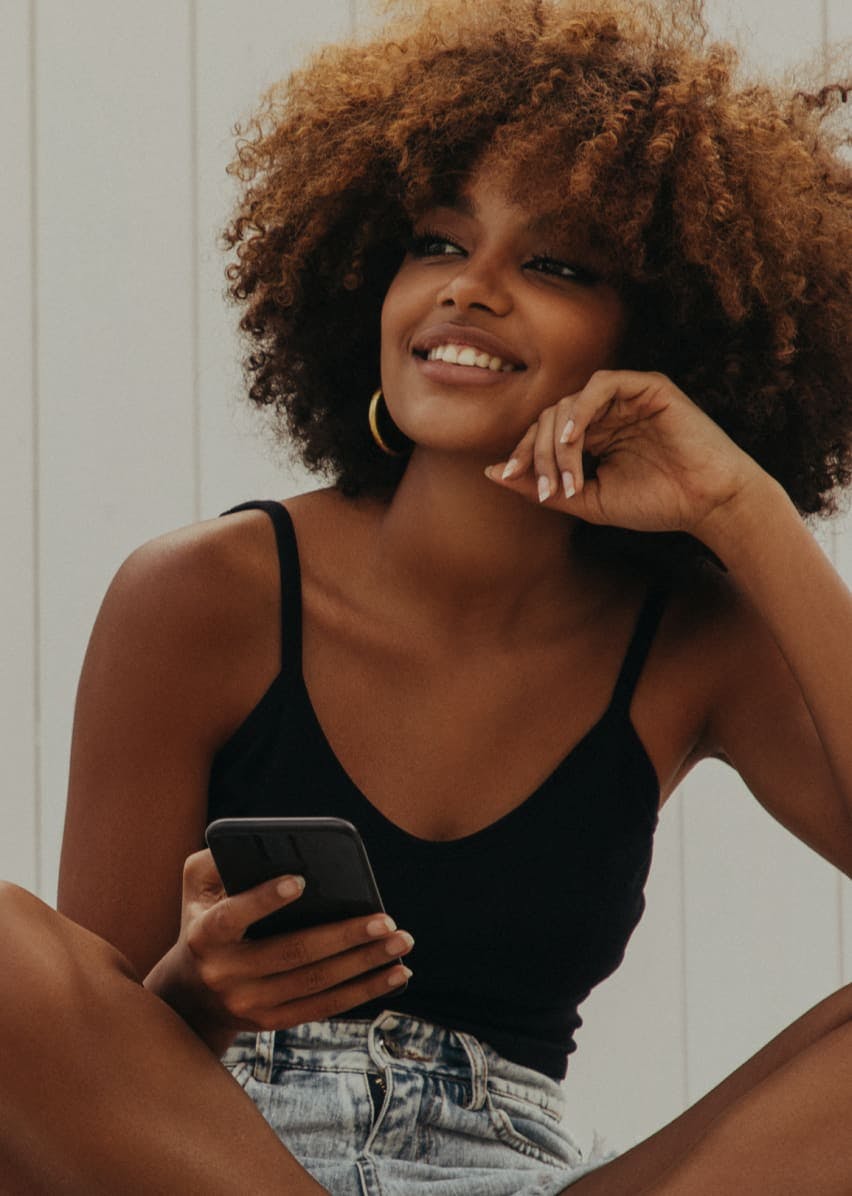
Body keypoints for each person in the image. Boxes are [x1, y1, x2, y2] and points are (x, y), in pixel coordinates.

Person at [2, 0, 851, 1192]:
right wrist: (193, 994)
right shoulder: (199, 595)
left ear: (662, 334)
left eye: (553, 264)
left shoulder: (694, 641)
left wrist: (739, 505)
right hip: (221, 1159)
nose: (471, 289)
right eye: (438, 243)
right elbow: (77, 1079)